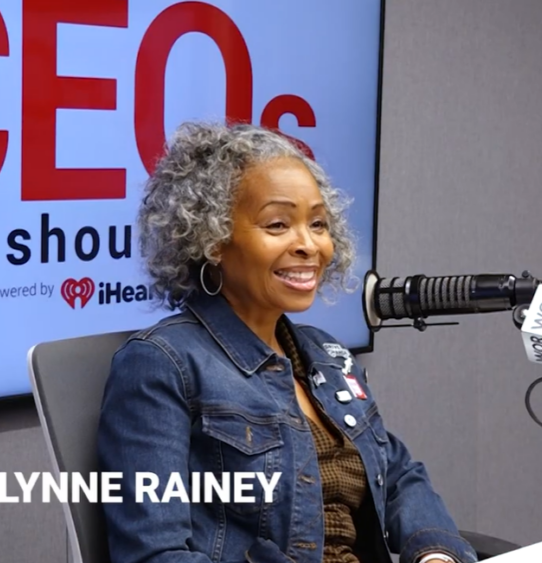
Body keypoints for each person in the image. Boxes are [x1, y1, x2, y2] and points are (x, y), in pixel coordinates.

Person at [97, 122, 477, 563]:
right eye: (278, 224)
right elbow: (154, 556)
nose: (308, 245)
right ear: (212, 239)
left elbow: (396, 473)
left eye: (318, 223)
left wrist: (435, 553)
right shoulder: (162, 365)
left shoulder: (327, 356)